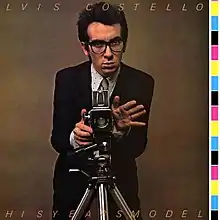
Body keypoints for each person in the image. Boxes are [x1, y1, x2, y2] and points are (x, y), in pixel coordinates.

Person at [50, 1, 154, 219]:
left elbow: (138, 146)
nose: (108, 54)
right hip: (72, 180)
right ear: (84, 47)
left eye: (115, 42)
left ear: (124, 43)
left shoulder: (141, 82)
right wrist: (75, 137)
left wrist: (121, 131)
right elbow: (58, 140)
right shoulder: (66, 79)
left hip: (120, 179)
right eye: (98, 44)